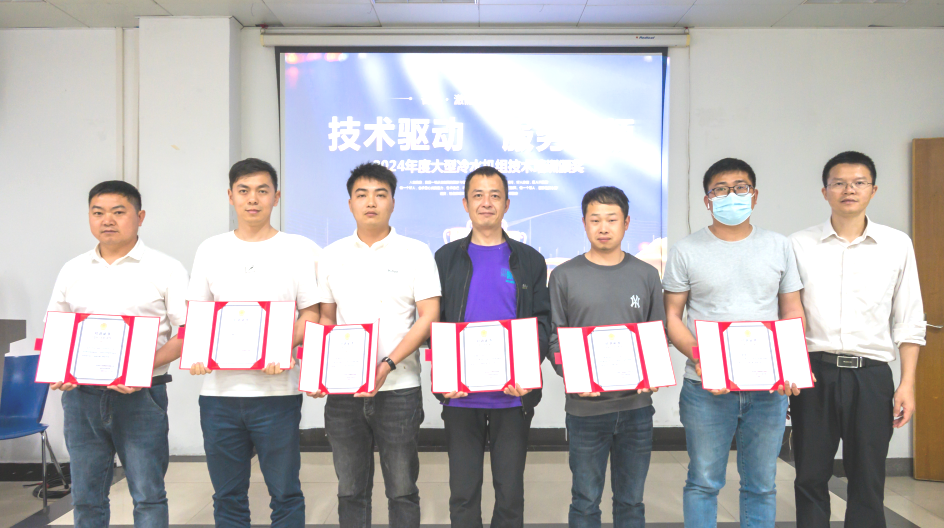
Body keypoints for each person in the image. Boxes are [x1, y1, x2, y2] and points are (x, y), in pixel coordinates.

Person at [662, 158, 805, 528]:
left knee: (762, 485)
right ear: (707, 200)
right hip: (706, 386)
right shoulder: (685, 250)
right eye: (721, 190)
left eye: (740, 188)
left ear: (754, 196)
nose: (731, 195)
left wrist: (792, 363)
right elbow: (672, 316)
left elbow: (791, 310)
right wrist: (702, 357)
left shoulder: (778, 246)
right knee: (703, 481)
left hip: (768, 389)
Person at [789, 151, 925, 528]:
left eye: (859, 182)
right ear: (825, 191)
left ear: (873, 190)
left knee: (868, 477)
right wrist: (791, 370)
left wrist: (907, 384)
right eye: (839, 183)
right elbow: (787, 314)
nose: (849, 190)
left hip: (872, 376)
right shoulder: (798, 244)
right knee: (810, 474)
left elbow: (909, 319)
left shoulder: (897, 244)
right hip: (814, 374)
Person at [187, 158, 321, 527]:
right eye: (244, 191)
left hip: (277, 393)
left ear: (276, 197)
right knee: (227, 495)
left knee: (285, 492)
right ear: (230, 196)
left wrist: (281, 346)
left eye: (262, 191)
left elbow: (311, 312)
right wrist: (198, 351)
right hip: (219, 396)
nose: (253, 199)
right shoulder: (211, 249)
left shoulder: (297, 248)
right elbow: (198, 313)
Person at [46, 180, 188, 528]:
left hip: (141, 396)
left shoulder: (166, 268)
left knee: (148, 494)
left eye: (118, 212)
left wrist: (138, 367)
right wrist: (59, 367)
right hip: (81, 399)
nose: (107, 220)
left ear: (140, 216)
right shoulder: (72, 269)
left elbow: (188, 333)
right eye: (98, 212)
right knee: (86, 497)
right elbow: (57, 329)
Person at [311, 162, 441, 528]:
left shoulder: (416, 252)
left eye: (380, 195)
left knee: (402, 489)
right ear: (350, 203)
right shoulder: (331, 255)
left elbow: (429, 315)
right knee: (350, 489)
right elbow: (327, 320)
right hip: (345, 392)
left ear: (393, 203)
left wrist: (388, 363)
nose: (371, 202)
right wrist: (319, 371)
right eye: (362, 195)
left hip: (399, 388)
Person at [433, 166, 550, 528]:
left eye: (495, 195)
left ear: (507, 204)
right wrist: (444, 377)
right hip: (461, 396)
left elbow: (542, 321)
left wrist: (527, 370)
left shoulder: (529, 259)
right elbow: (434, 322)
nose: (486, 203)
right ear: (465, 203)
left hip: (513, 396)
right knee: (463, 493)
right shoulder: (445, 258)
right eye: (478, 195)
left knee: (510, 493)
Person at [548, 186, 665, 528]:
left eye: (611, 219)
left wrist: (654, 372)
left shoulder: (646, 275)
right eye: (595, 219)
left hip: (636, 409)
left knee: (631, 502)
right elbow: (555, 338)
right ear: (584, 223)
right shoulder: (564, 275)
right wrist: (574, 376)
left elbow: (656, 333)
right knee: (585, 502)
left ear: (626, 223)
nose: (603, 227)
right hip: (585, 410)